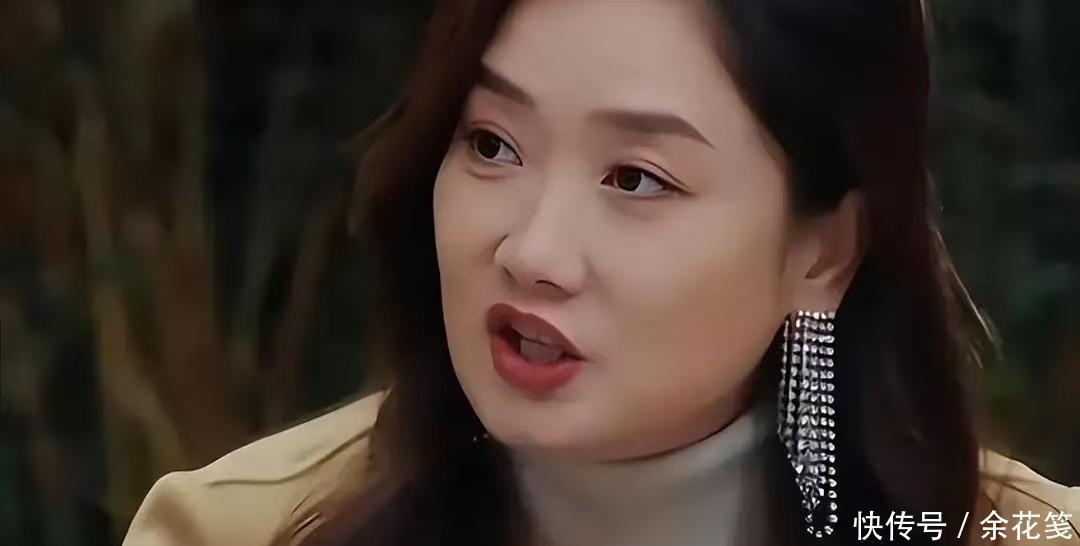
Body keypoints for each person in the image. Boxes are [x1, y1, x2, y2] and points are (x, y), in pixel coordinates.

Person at [122, 0, 1078, 545]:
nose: (532, 252)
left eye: (637, 178)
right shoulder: (236, 533)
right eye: (492, 145)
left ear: (824, 251)